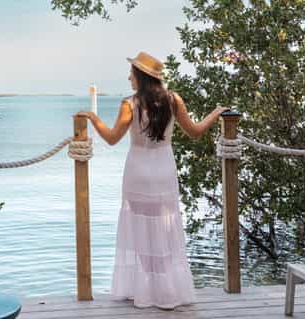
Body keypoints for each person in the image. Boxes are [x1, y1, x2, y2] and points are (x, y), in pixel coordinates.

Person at [75, 51, 229, 309]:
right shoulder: (173, 100)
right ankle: (166, 288)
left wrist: (92, 117)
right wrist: (215, 113)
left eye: (131, 73)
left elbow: (112, 138)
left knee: (140, 229)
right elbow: (194, 132)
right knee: (164, 228)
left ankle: (146, 288)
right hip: (164, 171)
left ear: (141, 76)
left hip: (137, 171)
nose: (128, 77)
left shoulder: (130, 104)